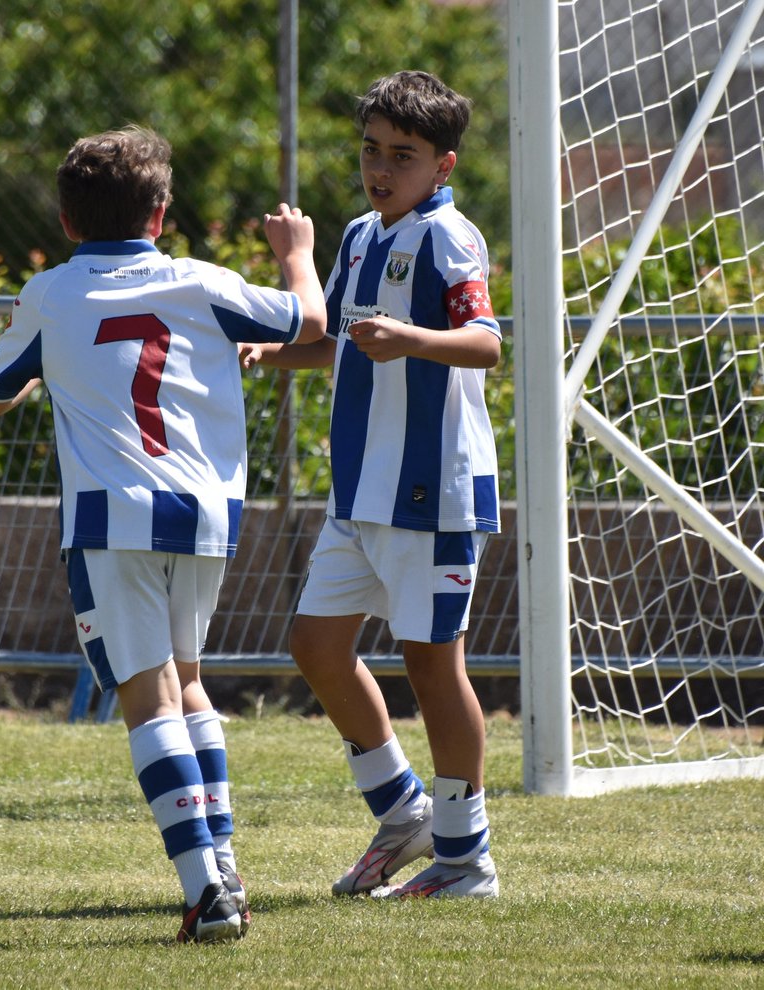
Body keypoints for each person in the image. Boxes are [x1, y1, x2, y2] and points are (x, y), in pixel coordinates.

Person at [0, 125, 327, 941]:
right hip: (204, 511)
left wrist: (43, 376)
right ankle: (223, 862)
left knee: (146, 695)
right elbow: (309, 319)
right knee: (186, 681)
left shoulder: (49, 294)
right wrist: (298, 252)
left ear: (67, 220)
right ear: (160, 216)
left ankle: (206, 892)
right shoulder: (201, 280)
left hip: (114, 514)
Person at [241, 70, 502, 899]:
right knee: (316, 648)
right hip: (359, 492)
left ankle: (465, 859)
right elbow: (343, 342)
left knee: (433, 669)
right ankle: (402, 812)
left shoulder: (448, 236)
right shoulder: (359, 235)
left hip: (431, 491)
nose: (381, 168)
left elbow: (486, 341)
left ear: (443, 165)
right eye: (371, 150)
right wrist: (273, 353)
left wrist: (414, 337)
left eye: (403, 155)